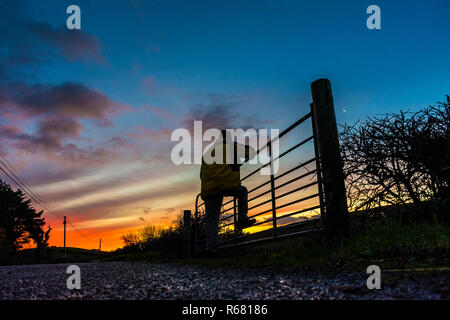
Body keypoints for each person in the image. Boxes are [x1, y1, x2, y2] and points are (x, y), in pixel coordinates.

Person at [200, 129, 256, 253]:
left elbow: (201, 174)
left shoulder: (207, 153)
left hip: (209, 189)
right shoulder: (231, 146)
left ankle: (212, 248)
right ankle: (242, 219)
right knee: (242, 192)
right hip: (226, 185)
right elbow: (251, 152)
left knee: (211, 219)